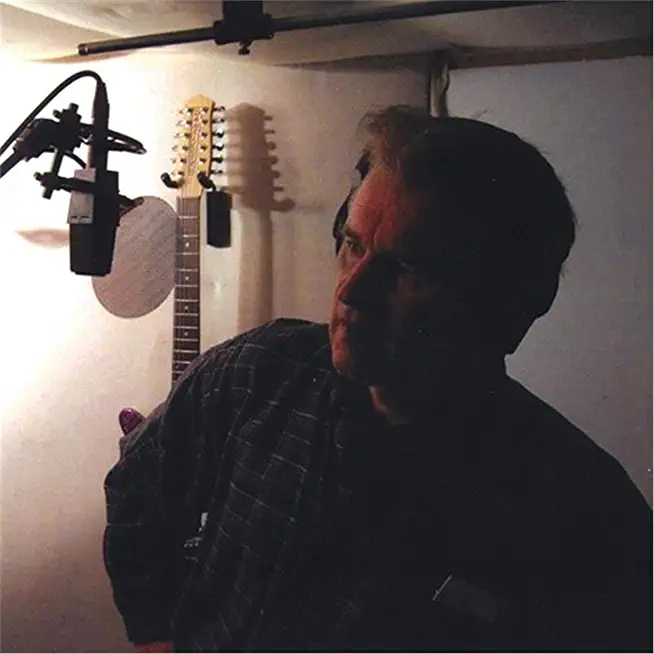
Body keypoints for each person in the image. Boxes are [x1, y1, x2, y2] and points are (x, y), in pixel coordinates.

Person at [103, 105, 652, 652]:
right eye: (353, 245)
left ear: (504, 303)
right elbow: (138, 486)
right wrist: (155, 636)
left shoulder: (585, 514)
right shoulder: (253, 373)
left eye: (409, 268)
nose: (352, 291)